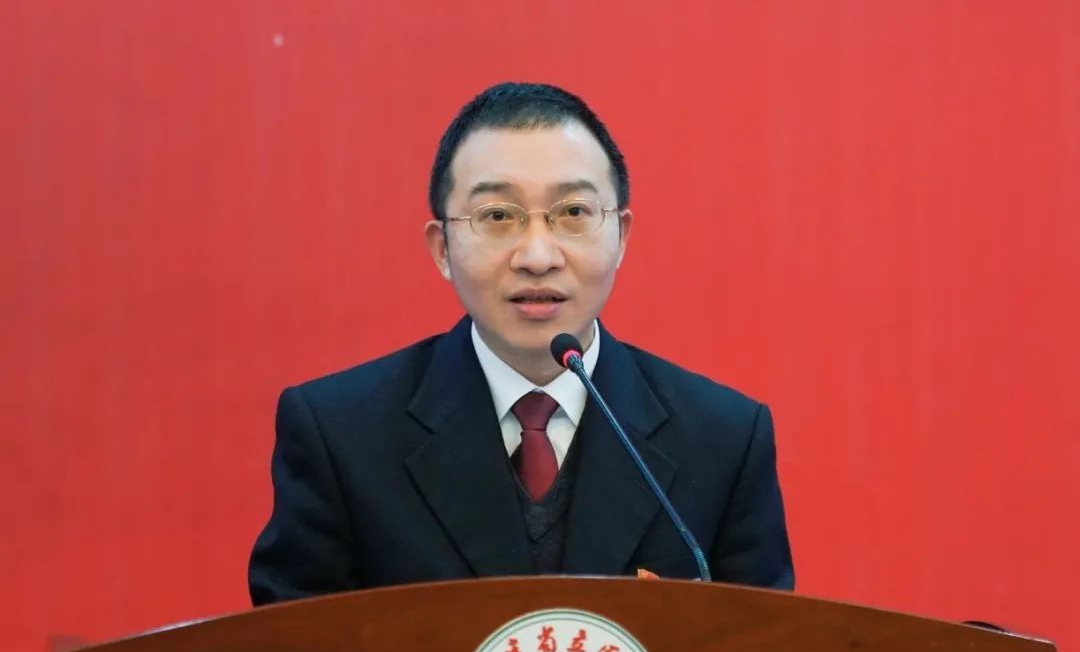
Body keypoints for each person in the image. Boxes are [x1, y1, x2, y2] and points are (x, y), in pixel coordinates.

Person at [248, 82, 793, 605]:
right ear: (442, 248)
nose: (537, 256)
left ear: (621, 236)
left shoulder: (722, 439)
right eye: (497, 216)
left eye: (573, 213)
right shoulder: (340, 436)